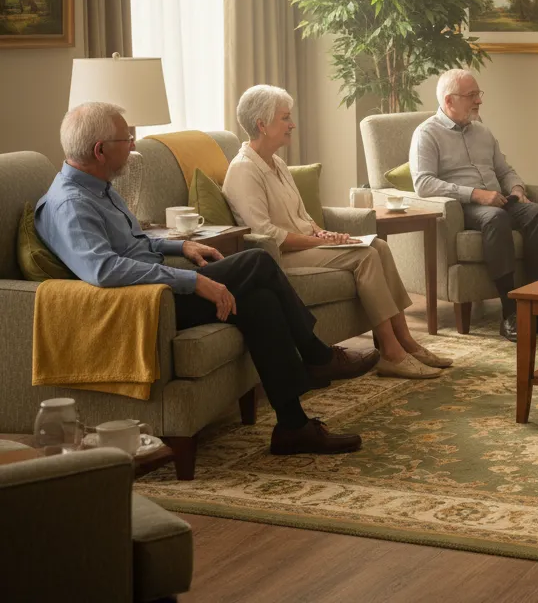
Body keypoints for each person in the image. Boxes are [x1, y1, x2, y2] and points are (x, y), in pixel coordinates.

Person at [36, 102, 374, 456]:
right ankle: (317, 356)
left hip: (161, 287)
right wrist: (192, 281)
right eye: (127, 138)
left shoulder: (99, 188)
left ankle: (293, 427)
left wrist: (180, 245)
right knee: (257, 261)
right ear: (100, 150)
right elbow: (103, 270)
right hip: (148, 304)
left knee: (260, 301)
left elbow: (131, 243)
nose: (134, 145)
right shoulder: (71, 205)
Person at [222, 85, 450, 379]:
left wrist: (325, 234)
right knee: (365, 256)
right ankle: (392, 354)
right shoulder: (243, 170)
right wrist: (316, 239)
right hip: (280, 259)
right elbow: (266, 235)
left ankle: (406, 340)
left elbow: (302, 217)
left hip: (306, 246)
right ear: (262, 125)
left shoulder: (276, 162)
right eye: (285, 118)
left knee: (378, 246)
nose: (292, 124)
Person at [410, 69, 538, 343]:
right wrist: (475, 194)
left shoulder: (483, 131)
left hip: (500, 200)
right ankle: (510, 314)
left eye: (478, 94)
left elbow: (504, 170)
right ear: (449, 100)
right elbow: (423, 183)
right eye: (472, 96)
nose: (479, 101)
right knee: (496, 219)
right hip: (465, 207)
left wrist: (517, 188)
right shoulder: (427, 134)